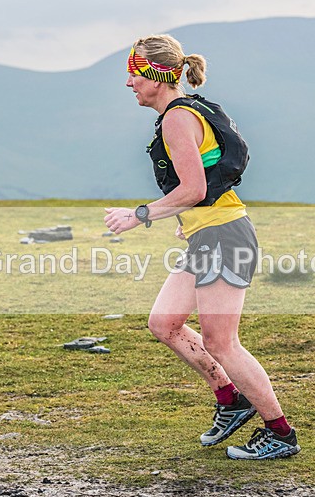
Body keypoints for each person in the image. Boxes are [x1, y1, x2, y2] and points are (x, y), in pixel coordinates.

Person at [104, 34, 300, 460]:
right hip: (208, 234)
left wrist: (140, 214)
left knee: (222, 342)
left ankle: (280, 433)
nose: (129, 83)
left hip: (223, 236)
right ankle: (231, 400)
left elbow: (193, 189)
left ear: (156, 75)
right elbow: (201, 188)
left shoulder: (177, 118)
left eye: (134, 73)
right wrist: (186, 223)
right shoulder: (186, 111)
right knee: (164, 323)